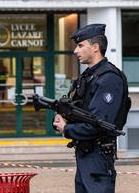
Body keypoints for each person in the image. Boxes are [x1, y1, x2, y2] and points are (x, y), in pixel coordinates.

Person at [53, 23, 129, 193]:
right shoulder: (87, 77)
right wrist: (62, 117)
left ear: (95, 48)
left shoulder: (109, 78)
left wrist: (67, 129)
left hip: (98, 157)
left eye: (80, 46)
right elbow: (77, 110)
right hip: (85, 154)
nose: (75, 51)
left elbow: (97, 124)